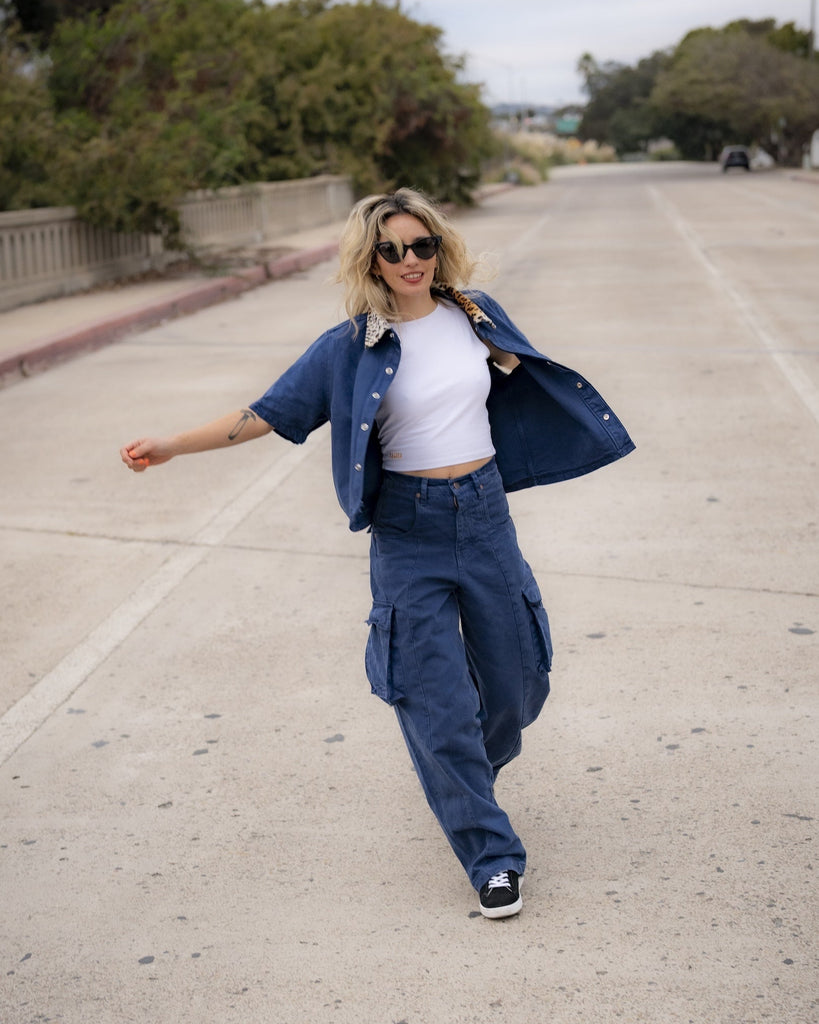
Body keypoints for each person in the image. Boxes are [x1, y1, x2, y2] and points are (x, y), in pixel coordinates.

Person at [120, 187, 634, 919]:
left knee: (521, 684)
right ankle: (490, 855)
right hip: (408, 531)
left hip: (484, 518)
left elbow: (523, 378)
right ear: (370, 260)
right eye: (389, 250)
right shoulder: (350, 348)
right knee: (434, 702)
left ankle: (462, 779)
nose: (408, 261)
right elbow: (265, 413)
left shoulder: (473, 313)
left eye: (419, 245)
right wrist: (171, 444)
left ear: (438, 247)